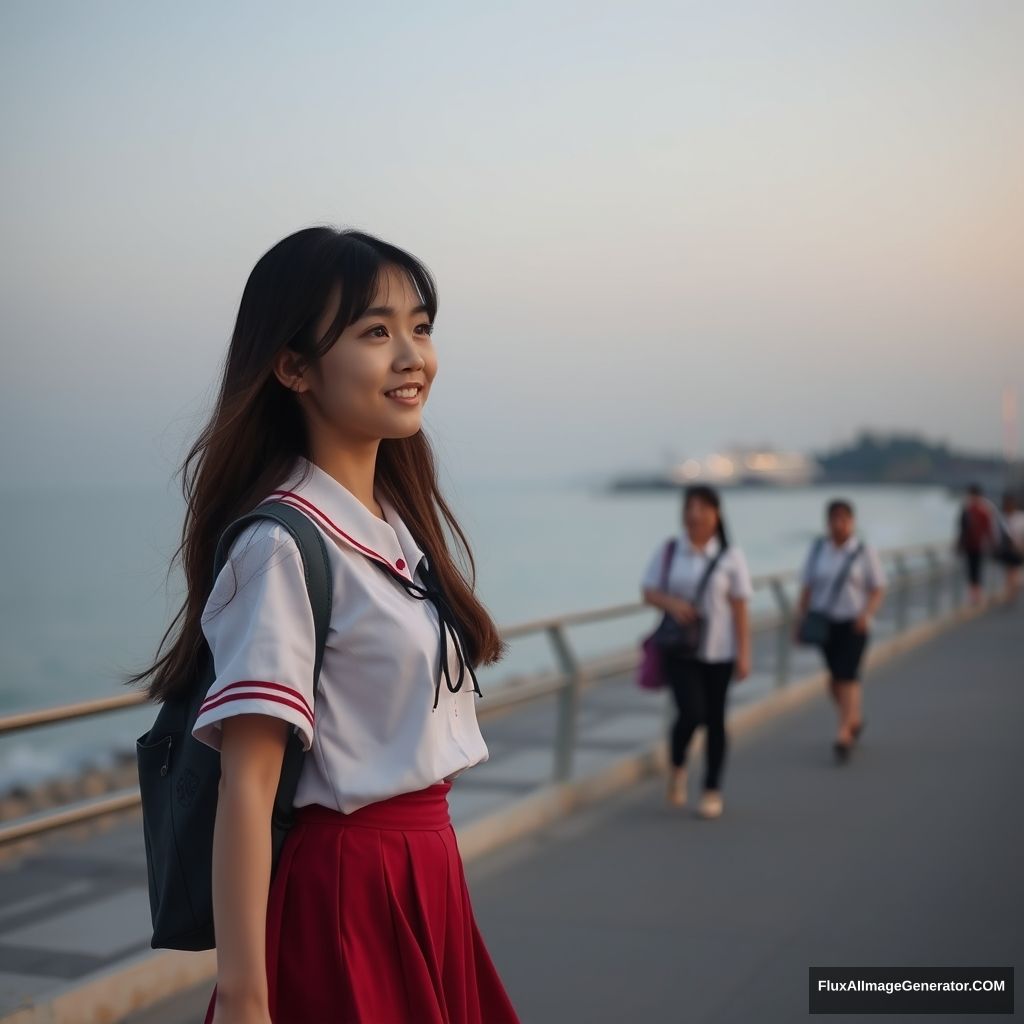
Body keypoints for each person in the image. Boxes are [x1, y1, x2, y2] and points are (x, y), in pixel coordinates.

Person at [126, 228, 520, 1024]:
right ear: (293, 367)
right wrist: (244, 998)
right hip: (347, 893)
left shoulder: (391, 527)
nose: (413, 356)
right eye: (376, 332)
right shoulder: (281, 546)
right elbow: (249, 787)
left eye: (421, 326)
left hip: (425, 872)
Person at [640, 485, 753, 819]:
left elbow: (740, 606)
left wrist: (745, 652)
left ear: (716, 514)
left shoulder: (731, 557)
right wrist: (672, 603)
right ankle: (677, 767)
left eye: (703, 507)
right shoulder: (671, 551)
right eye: (690, 507)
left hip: (721, 650)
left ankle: (711, 789)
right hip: (681, 650)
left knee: (716, 720)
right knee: (691, 713)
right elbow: (648, 591)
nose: (695, 514)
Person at [794, 499, 886, 763]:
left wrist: (866, 614)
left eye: (844, 519)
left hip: (854, 624)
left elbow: (878, 587)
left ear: (852, 522)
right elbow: (807, 587)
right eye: (834, 519)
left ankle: (843, 733)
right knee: (834, 679)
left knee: (848, 675)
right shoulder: (817, 550)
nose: (838, 524)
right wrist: (800, 619)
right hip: (825, 623)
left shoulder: (863, 551)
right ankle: (853, 717)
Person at [955, 483, 998, 605]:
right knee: (974, 570)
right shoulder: (979, 509)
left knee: (974, 570)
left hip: (977, 545)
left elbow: (987, 529)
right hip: (973, 545)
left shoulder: (974, 510)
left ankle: (975, 597)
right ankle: (975, 596)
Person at [995, 491, 1024, 602]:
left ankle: (1011, 591)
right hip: (1007, 549)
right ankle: (1011, 590)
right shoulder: (1003, 518)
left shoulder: (1020, 518)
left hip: (1017, 548)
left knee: (1013, 570)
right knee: (1009, 570)